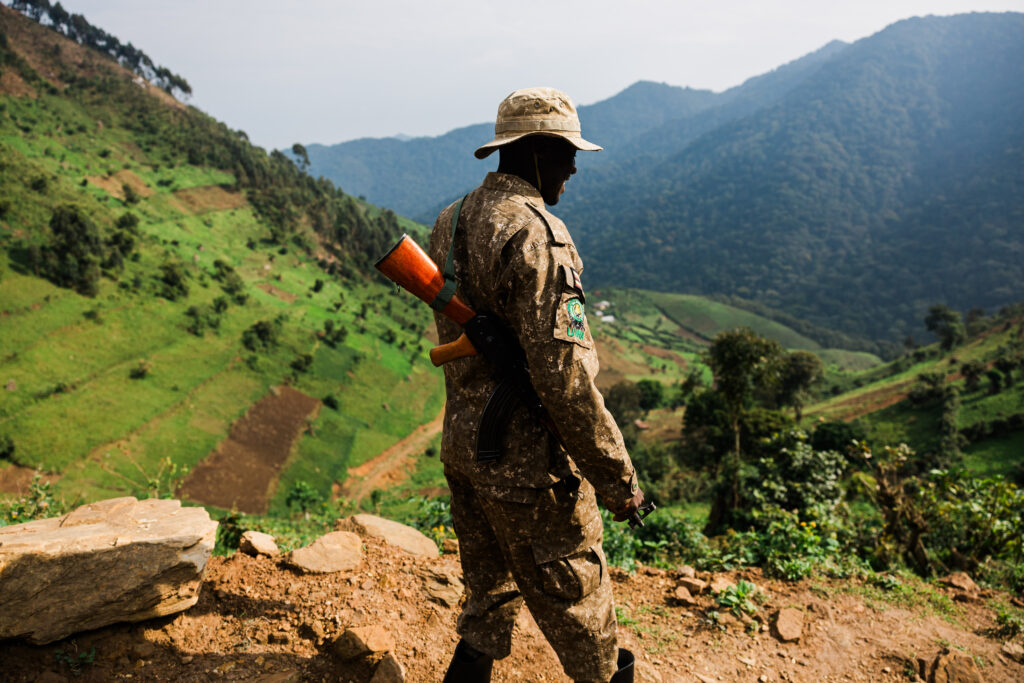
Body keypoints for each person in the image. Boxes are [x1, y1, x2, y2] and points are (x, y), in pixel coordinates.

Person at [430, 87, 644, 683]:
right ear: (536, 153)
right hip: (530, 475)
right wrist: (617, 477)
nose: (574, 167)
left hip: (467, 454)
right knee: (585, 619)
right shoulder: (537, 236)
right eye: (565, 153)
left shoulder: (453, 218)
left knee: (487, 601)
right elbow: (567, 384)